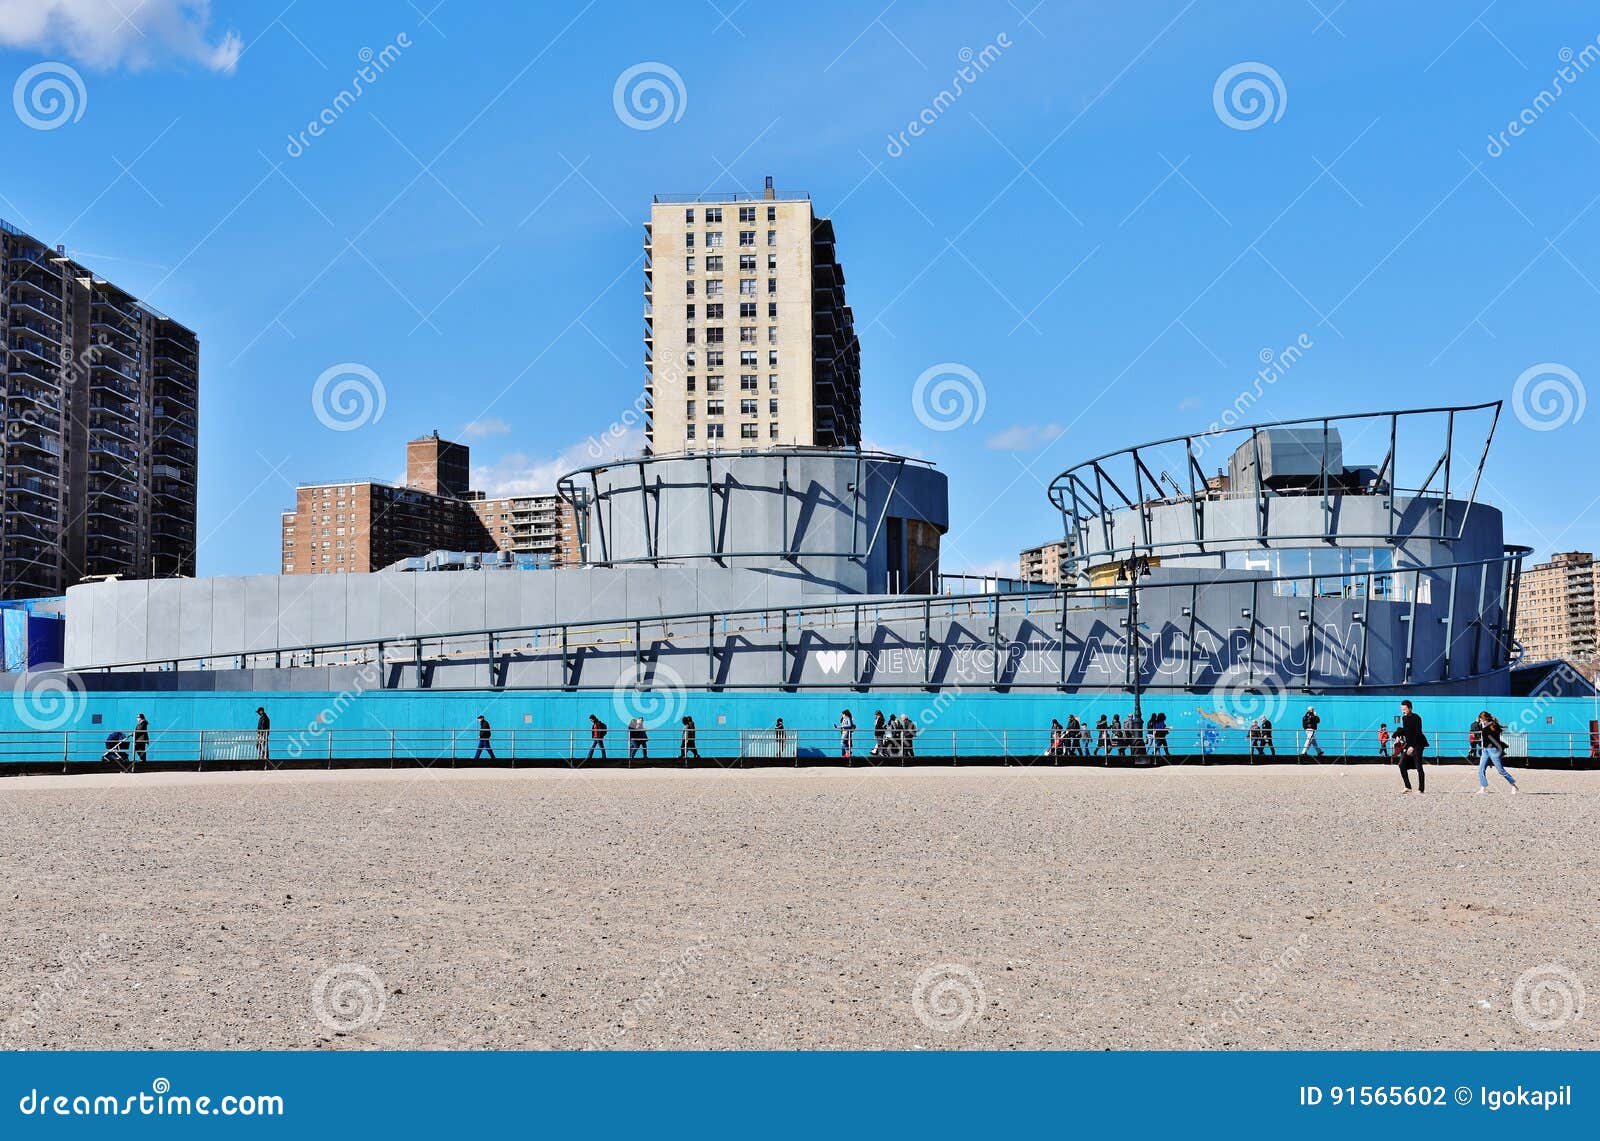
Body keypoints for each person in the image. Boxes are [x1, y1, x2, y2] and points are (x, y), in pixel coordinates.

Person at [1475, 711, 1518, 795]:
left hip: (1493, 750)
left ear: (1485, 718)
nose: (1481, 721)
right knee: (1481, 769)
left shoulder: (1493, 726)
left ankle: (1513, 785)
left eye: (1481, 719)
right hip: (1485, 750)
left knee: (1500, 770)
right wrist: (1483, 725)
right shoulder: (1485, 726)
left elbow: (1496, 736)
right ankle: (1483, 788)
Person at [1397, 699, 1428, 793]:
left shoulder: (1417, 718)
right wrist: (1397, 736)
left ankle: (1421, 789)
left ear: (1410, 708)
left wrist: (1412, 746)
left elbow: (1417, 733)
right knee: (1401, 764)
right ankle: (1408, 787)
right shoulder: (1404, 718)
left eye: (1405, 709)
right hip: (1409, 744)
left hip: (1418, 743)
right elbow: (1406, 731)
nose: (1403, 711)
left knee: (1419, 766)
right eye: (1402, 709)